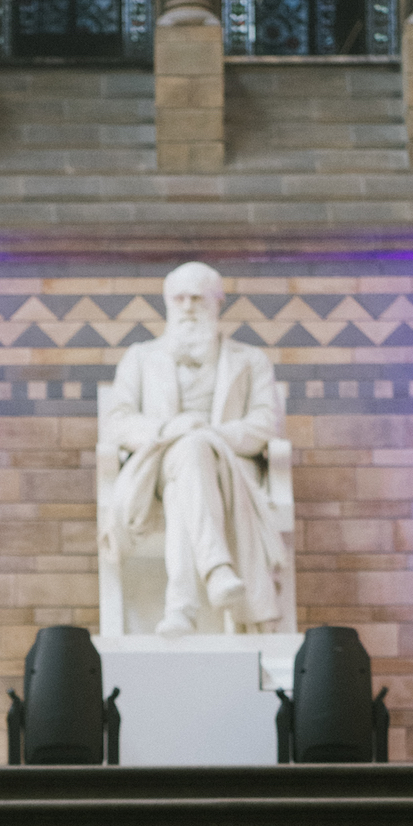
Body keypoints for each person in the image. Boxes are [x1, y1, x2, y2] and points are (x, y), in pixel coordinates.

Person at [101, 260, 287, 634]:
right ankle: (216, 568)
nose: (187, 307)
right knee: (188, 449)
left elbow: (266, 423)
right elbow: (117, 421)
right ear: (168, 303)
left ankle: (181, 610)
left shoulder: (250, 361)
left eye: (198, 298)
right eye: (179, 298)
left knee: (188, 469)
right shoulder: (140, 358)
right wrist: (173, 428)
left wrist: (211, 436)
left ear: (218, 303)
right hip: (154, 470)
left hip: (227, 471)